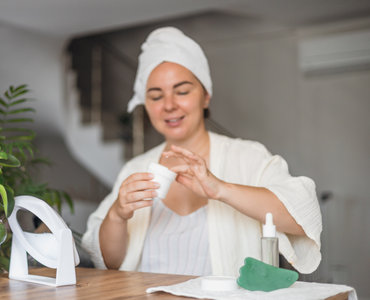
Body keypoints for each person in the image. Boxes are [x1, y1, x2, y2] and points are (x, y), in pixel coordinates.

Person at [81, 27, 322, 276]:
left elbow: (302, 217)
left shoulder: (248, 156)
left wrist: (221, 189)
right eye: (155, 96)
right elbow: (109, 262)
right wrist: (118, 214)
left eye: (182, 91)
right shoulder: (135, 168)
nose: (169, 105)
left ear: (205, 96)